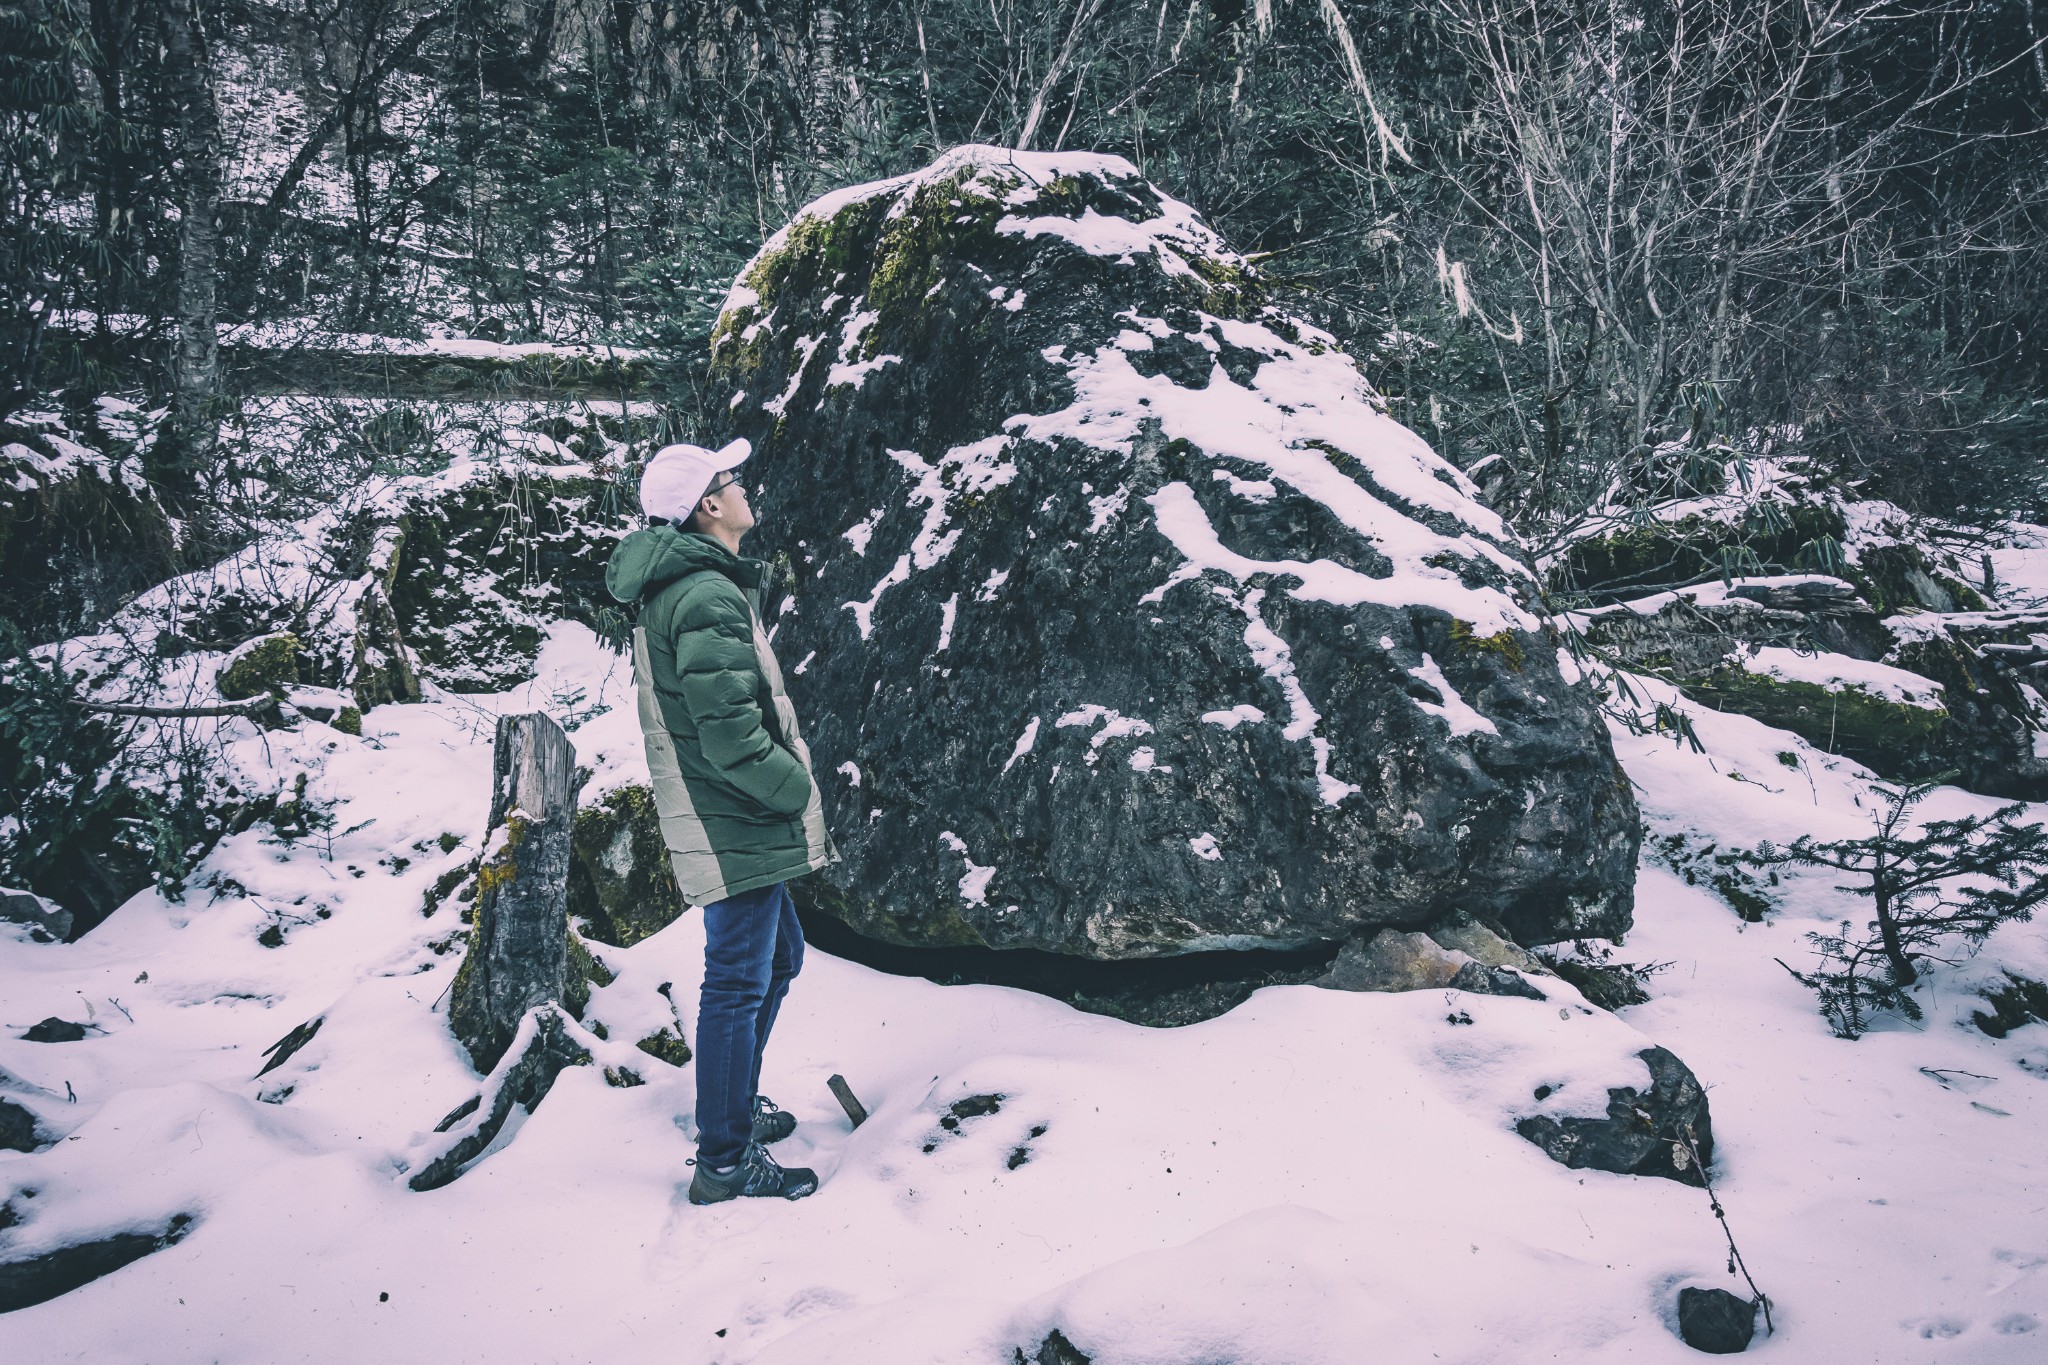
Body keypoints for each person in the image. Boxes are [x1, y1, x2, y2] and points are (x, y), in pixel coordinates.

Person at [604, 438, 835, 1204]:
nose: (743, 489)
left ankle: (729, 1109)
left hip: (731, 817)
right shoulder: (703, 593)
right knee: (739, 980)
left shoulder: (695, 583)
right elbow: (730, 734)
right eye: (730, 481)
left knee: (777, 961)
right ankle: (725, 1159)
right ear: (708, 506)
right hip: (735, 818)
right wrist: (794, 785)